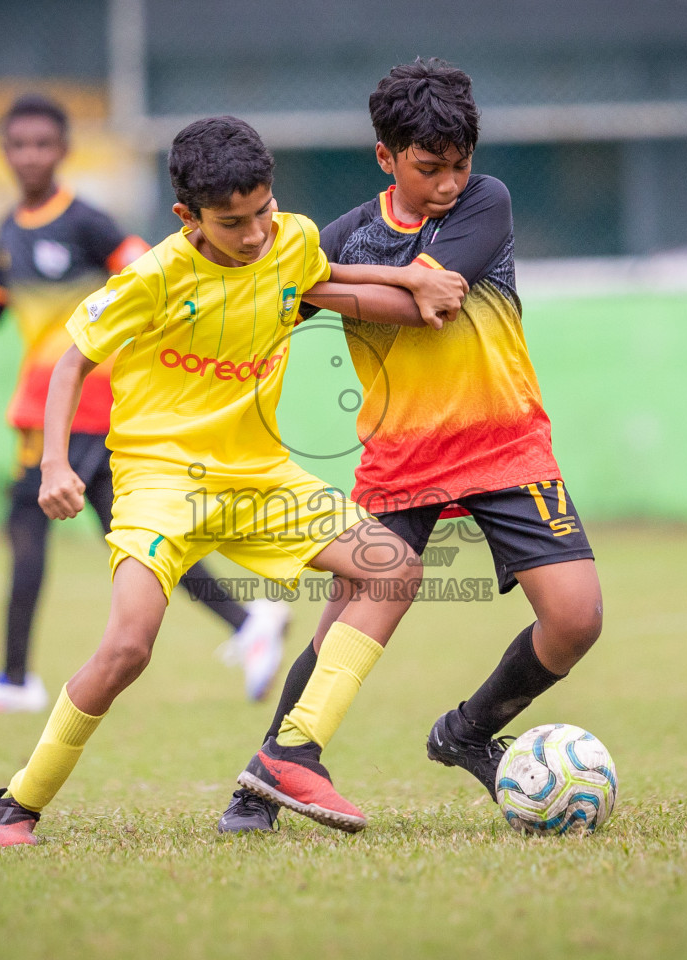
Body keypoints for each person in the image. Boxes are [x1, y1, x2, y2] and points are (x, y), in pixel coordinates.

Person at [0, 116, 470, 845]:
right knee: (128, 649)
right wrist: (54, 463)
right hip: (160, 481)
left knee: (393, 568)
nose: (253, 234)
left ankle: (290, 754)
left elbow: (320, 274)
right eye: (231, 223)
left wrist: (406, 278)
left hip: (261, 479)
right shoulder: (155, 276)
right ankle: (16, 802)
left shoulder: (290, 235)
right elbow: (73, 359)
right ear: (188, 217)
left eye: (262, 211)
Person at [217, 59, 605, 834]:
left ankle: (466, 729)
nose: (449, 184)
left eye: (459, 165)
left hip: (505, 441)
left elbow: (423, 303)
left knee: (576, 619)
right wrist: (292, 285)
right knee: (341, 629)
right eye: (429, 169)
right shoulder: (347, 234)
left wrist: (310, 282)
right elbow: (263, 299)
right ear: (385, 157)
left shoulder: (485, 203)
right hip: (401, 456)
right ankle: (263, 781)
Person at [0, 94, 289, 714]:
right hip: (45, 398)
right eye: (19, 144)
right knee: (133, 538)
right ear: (5, 153)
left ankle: (13, 679)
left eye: (42, 144)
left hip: (83, 398)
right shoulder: (10, 228)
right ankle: (247, 623)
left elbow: (150, 275)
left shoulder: (86, 222)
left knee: (28, 525)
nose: (30, 155)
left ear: (62, 151)